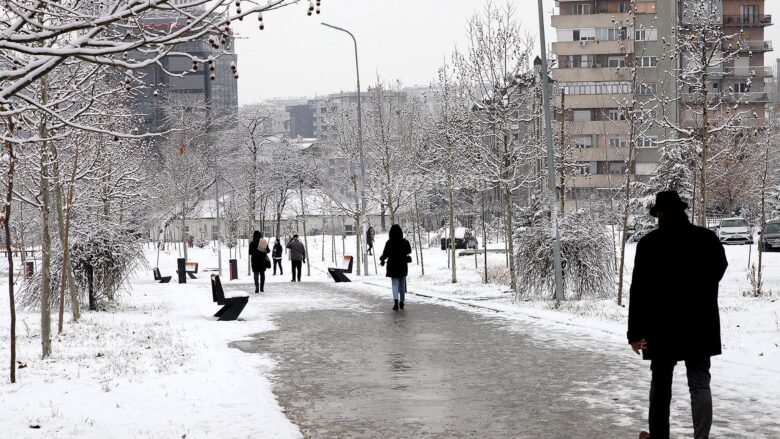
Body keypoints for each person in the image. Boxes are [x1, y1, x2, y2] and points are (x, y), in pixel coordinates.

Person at [628, 190, 728, 439]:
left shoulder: (649, 244)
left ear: (660, 214)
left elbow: (638, 290)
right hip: (700, 323)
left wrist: (634, 333)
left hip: (661, 327)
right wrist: (701, 291)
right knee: (700, 382)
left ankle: (659, 437)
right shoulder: (707, 239)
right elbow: (720, 268)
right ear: (682, 211)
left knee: (661, 384)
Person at [379, 224, 412, 311]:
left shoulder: (389, 242)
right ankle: (402, 302)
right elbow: (409, 251)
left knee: (394, 284)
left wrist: (382, 259)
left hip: (392, 266)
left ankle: (395, 302)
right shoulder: (405, 242)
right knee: (402, 284)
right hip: (402, 265)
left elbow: (385, 254)